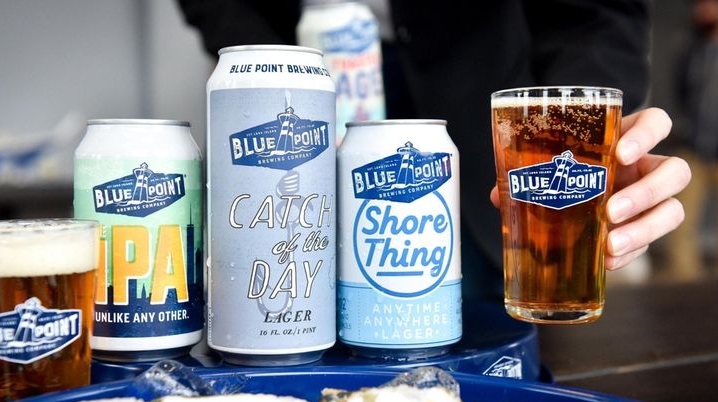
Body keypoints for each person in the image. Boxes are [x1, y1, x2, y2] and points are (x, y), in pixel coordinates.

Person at [178, 0, 690, 295]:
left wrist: (575, 142)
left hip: (481, 111)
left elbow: (597, 14)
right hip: (297, 73)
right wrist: (262, 63)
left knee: (482, 349)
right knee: (286, 296)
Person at [662, 0, 718, 281]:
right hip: (694, 147)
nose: (703, 11)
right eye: (700, 6)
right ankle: (685, 288)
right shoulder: (690, 50)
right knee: (680, 224)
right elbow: (682, 96)